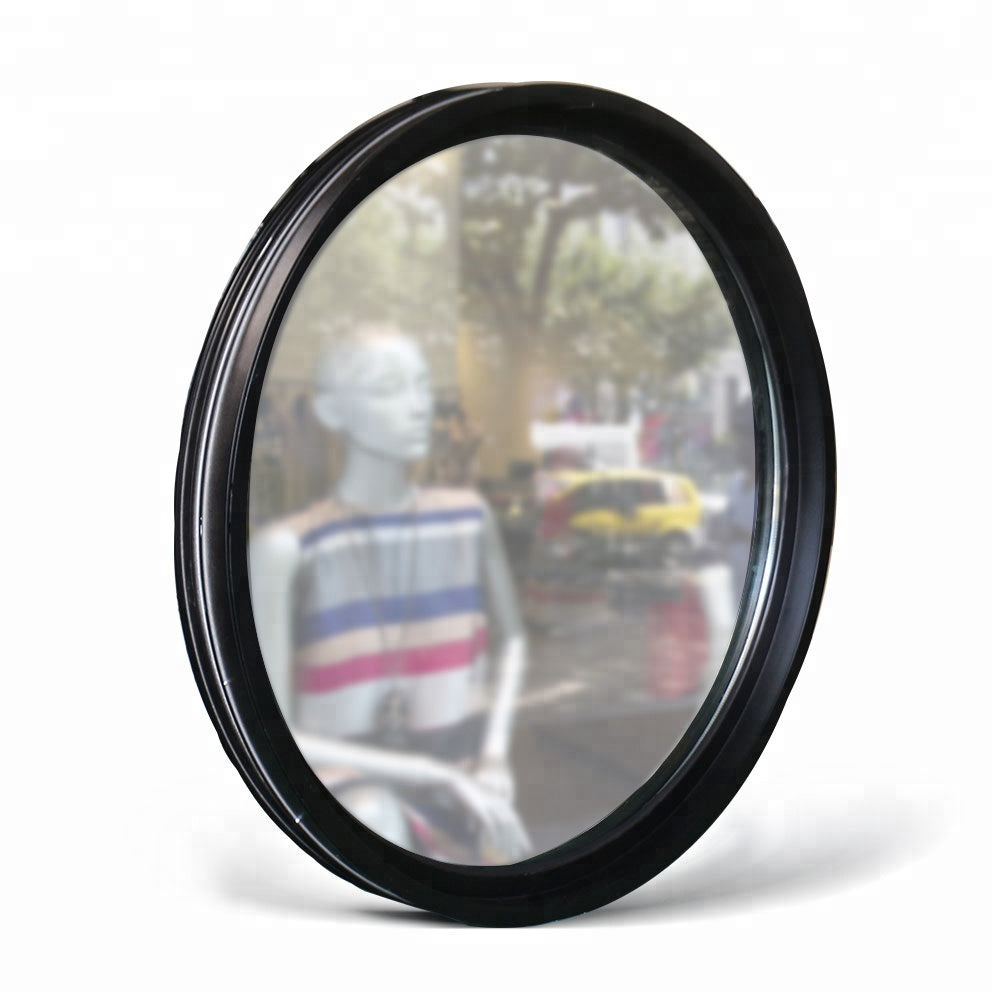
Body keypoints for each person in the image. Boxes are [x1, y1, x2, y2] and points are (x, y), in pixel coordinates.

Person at [248, 324, 531, 862]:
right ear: (332, 411)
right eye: (389, 389)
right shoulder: (287, 550)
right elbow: (270, 732)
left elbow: (514, 640)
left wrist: (495, 753)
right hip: (347, 787)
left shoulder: (467, 520)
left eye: (423, 386)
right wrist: (428, 773)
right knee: (374, 818)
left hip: (464, 781)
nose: (419, 407)